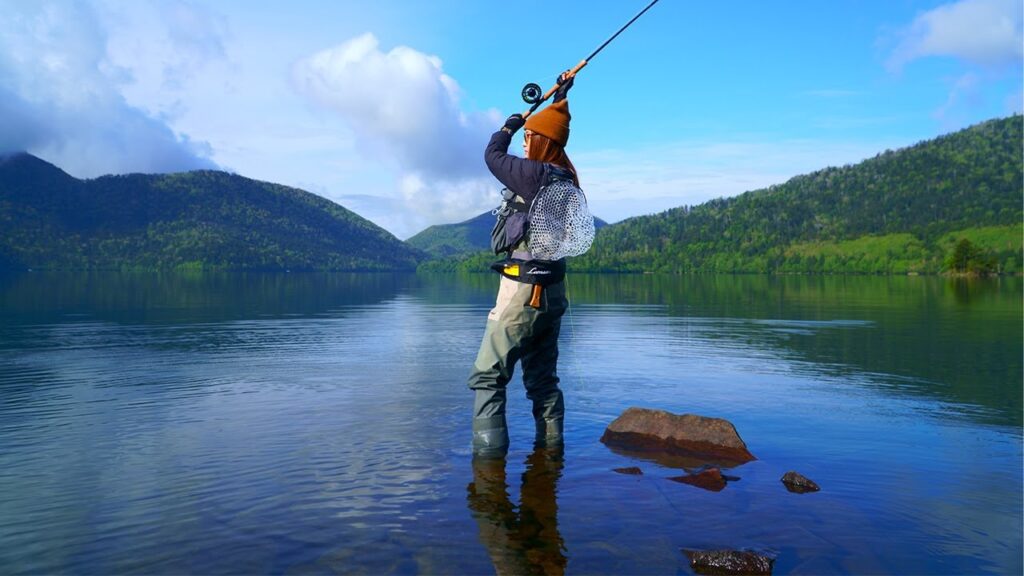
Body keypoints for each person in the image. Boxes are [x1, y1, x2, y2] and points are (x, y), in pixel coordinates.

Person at [468, 73, 577, 457]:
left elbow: (492, 156)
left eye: (531, 137)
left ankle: (487, 468)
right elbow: (556, 130)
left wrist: (508, 126)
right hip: (554, 295)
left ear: (541, 140)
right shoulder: (568, 177)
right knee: (543, 382)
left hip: (523, 293)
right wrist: (560, 96)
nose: (526, 141)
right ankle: (551, 458)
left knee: (488, 377)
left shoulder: (533, 175)